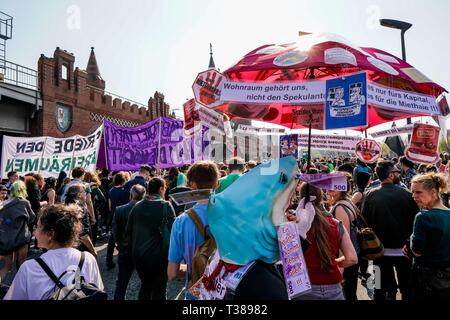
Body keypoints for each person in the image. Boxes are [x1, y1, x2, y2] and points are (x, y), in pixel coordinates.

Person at [4, 204, 103, 300]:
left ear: (50, 234)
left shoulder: (30, 268)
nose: (34, 232)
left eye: (38, 227)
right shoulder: (87, 258)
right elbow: (96, 291)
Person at [361, 160, 419, 300]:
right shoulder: (406, 194)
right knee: (407, 289)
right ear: (391, 175)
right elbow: (416, 222)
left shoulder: (370, 195)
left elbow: (364, 222)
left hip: (378, 252)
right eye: (396, 172)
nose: (399, 174)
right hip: (404, 251)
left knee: (379, 288)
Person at [289, 183, 357, 300]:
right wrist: (333, 262)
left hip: (303, 286)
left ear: (300, 198)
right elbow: (352, 259)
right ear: (322, 197)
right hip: (333, 287)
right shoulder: (336, 224)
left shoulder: (294, 225)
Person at [167, 161, 220, 296]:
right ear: (217, 184)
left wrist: (190, 267)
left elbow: (172, 273)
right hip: (225, 291)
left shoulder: (181, 222)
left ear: (193, 186)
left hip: (195, 293)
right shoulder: (233, 215)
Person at [403, 173, 450, 300]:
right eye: (413, 192)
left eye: (418, 192)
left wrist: (411, 240)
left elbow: (417, 251)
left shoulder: (423, 217)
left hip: (426, 278)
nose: (414, 196)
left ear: (433, 192)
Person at [127, 177, 176, 300]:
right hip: (159, 256)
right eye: (164, 188)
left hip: (139, 255)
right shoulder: (165, 206)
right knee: (160, 288)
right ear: (160, 189)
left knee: (146, 285)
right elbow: (173, 232)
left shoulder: (137, 206)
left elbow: (128, 231)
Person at [112, 184, 145, 300]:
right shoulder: (146, 210)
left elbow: (115, 231)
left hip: (125, 250)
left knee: (121, 284)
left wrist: (119, 244)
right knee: (146, 284)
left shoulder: (120, 209)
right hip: (143, 251)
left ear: (130, 195)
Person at [0, 181, 36, 284]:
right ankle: (18, 288)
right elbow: (32, 218)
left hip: (7, 239)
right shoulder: (24, 202)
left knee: (7, 267)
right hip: (21, 237)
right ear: (23, 190)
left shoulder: (5, 203)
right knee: (21, 266)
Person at [64, 184, 97, 258]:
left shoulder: (66, 205)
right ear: (79, 195)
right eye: (84, 192)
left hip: (69, 246)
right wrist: (92, 250)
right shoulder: (80, 208)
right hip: (81, 247)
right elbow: (83, 234)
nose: (86, 193)